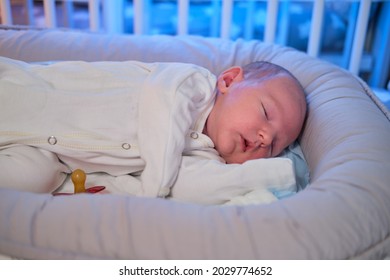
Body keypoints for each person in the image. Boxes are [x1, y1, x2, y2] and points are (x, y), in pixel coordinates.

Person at [0, 57, 306, 196]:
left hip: (48, 154)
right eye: (266, 112)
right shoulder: (192, 85)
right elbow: (161, 112)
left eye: (276, 146)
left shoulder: (204, 155)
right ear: (228, 81)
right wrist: (154, 188)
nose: (266, 137)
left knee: (35, 179)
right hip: (34, 94)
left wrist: (277, 173)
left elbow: (194, 186)